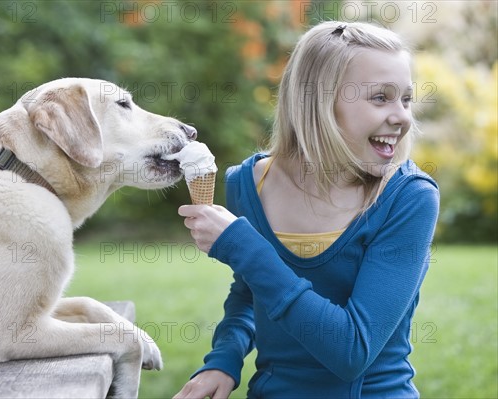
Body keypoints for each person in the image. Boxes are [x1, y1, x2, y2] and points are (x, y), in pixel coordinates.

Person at [173, 20, 439, 399]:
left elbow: (352, 351)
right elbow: (250, 294)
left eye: (406, 99)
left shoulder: (408, 198)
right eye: (380, 98)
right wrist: (224, 359)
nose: (402, 117)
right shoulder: (248, 185)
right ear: (318, 102)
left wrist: (244, 247)